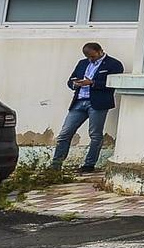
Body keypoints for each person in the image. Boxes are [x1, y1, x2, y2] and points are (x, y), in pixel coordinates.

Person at [52, 41, 123, 173]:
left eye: (93, 56)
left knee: (95, 135)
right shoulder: (82, 63)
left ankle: (89, 164)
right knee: (64, 133)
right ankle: (55, 165)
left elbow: (113, 83)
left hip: (97, 103)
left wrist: (92, 83)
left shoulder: (114, 64)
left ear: (100, 51)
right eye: (88, 57)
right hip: (79, 101)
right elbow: (70, 80)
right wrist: (75, 84)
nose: (91, 59)